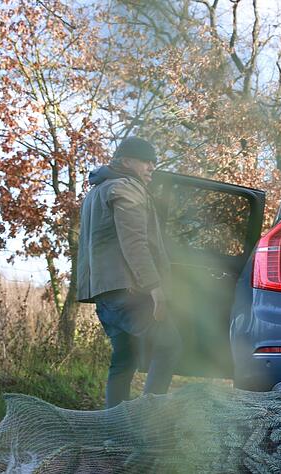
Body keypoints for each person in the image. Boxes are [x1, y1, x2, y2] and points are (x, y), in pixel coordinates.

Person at [76, 136, 181, 409]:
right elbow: (134, 243)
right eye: (145, 161)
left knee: (124, 358)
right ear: (125, 161)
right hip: (127, 290)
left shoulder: (96, 191)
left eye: (153, 162)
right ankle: (147, 418)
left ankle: (115, 429)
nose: (151, 167)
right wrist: (155, 287)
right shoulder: (126, 188)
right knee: (169, 344)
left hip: (104, 292)